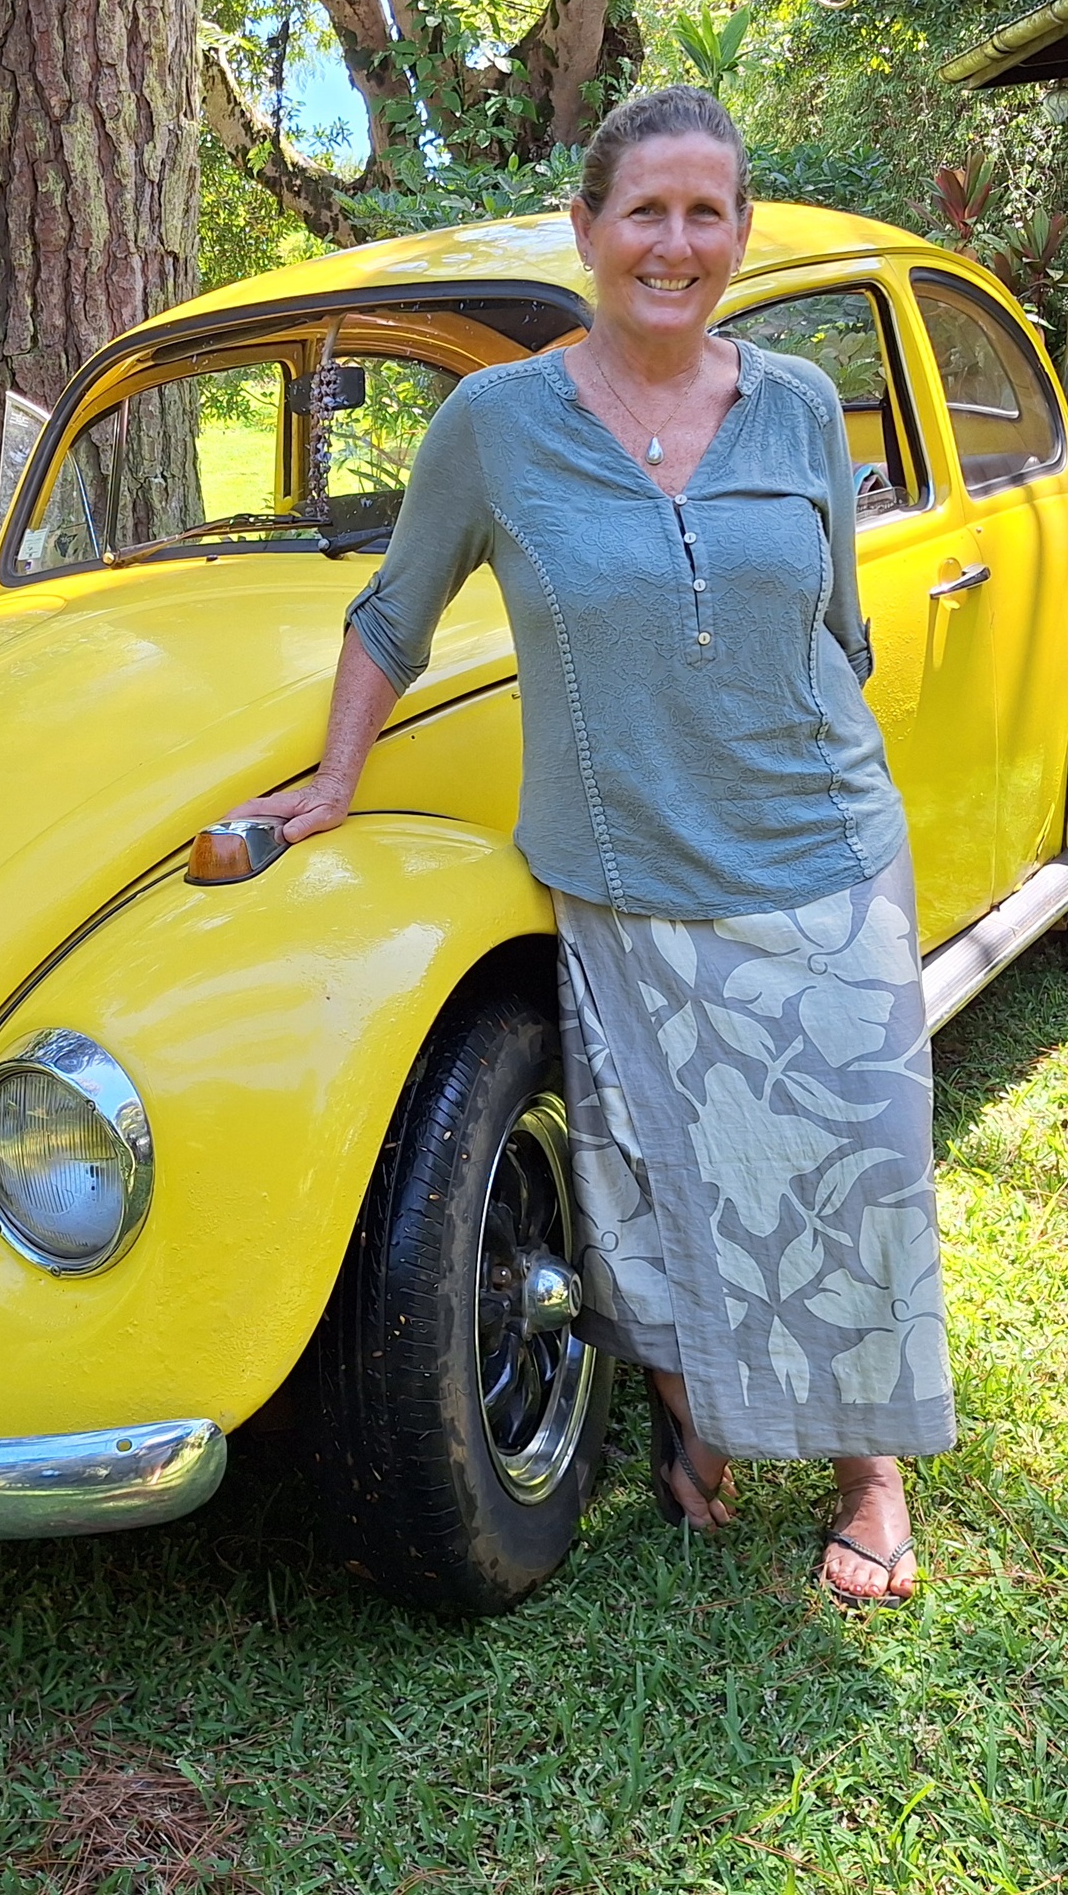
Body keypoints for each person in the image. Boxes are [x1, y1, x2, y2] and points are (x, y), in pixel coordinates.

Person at [229, 86, 953, 1603]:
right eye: (647, 212)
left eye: (707, 214)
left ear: (739, 236)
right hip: (628, 880)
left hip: (821, 848)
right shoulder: (497, 426)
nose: (675, 244)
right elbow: (390, 617)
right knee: (675, 1179)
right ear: (589, 229)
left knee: (847, 1167)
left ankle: (867, 1474)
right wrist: (337, 782)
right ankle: (700, 1430)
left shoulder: (801, 406)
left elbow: (840, 630)